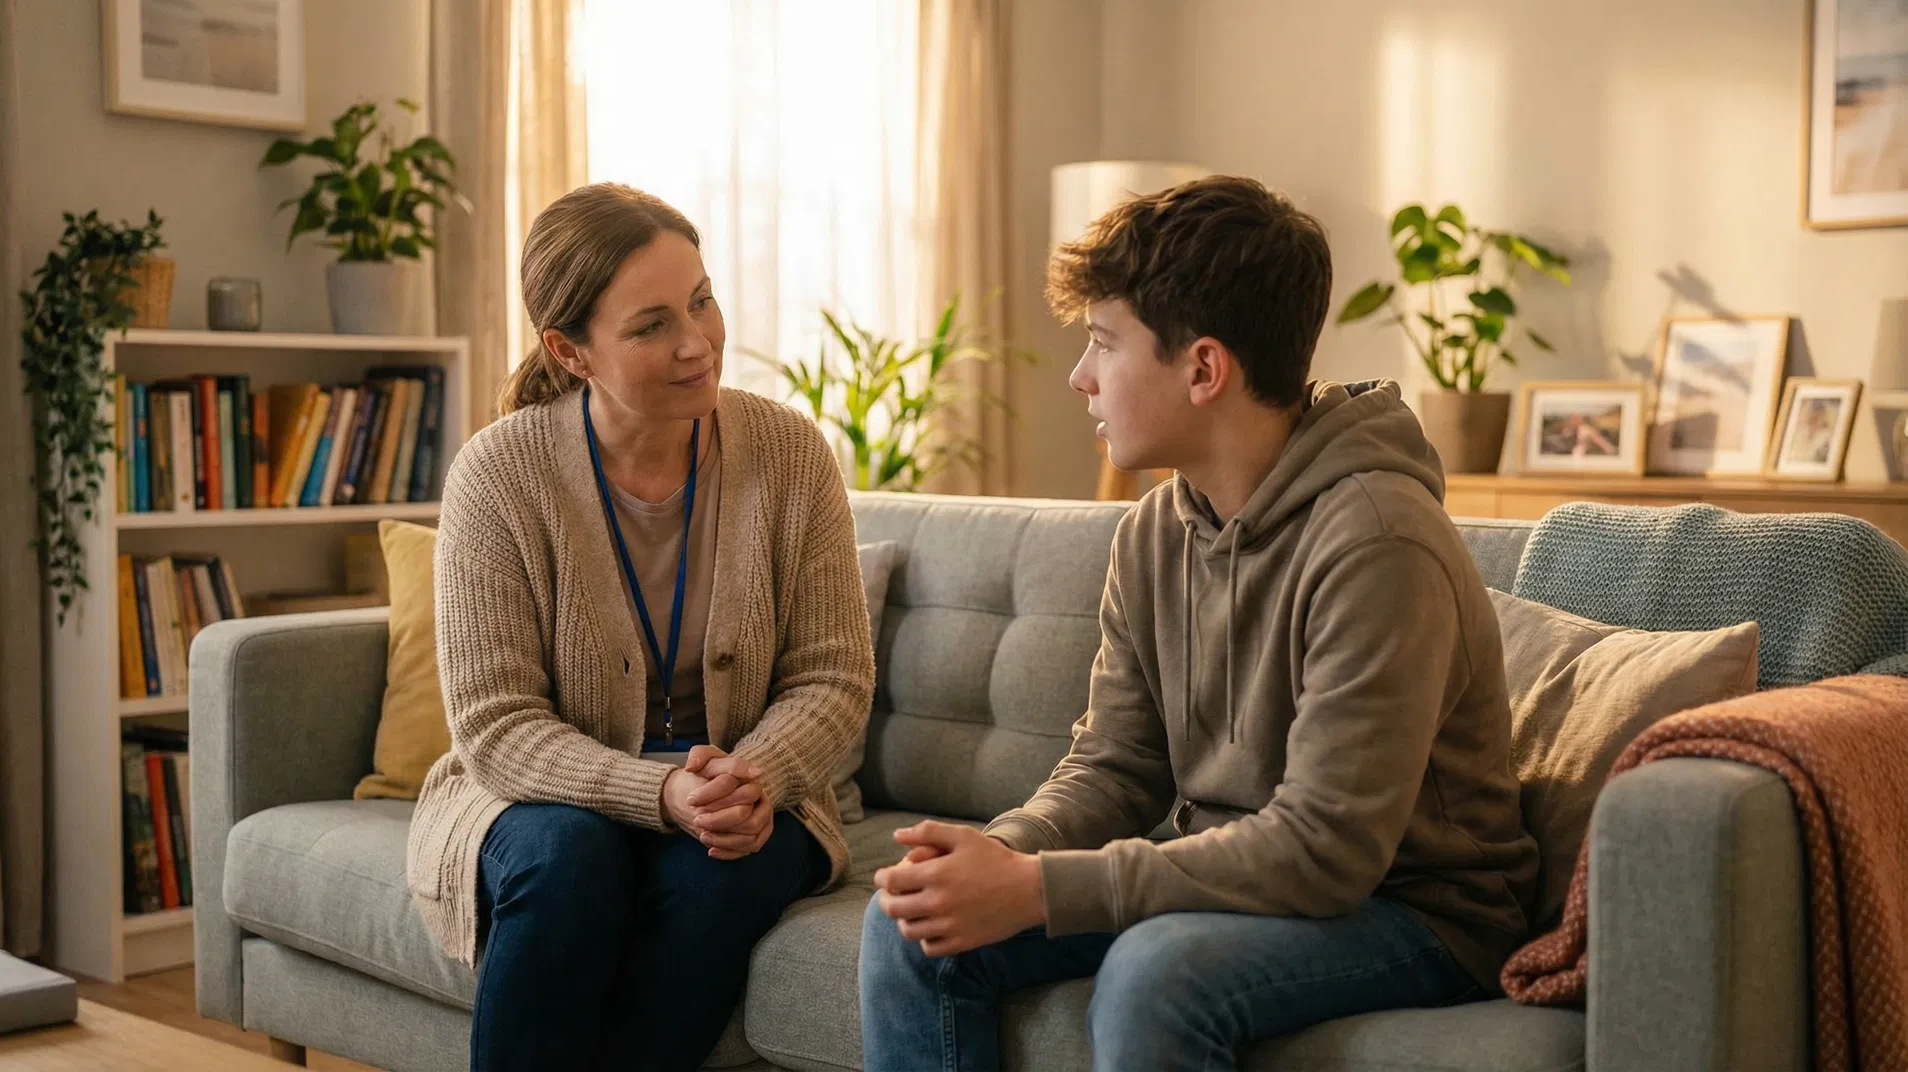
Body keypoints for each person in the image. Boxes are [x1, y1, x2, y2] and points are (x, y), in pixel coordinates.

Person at [857, 176, 1539, 1071]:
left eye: (1104, 343)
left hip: (1416, 910)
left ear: (1204, 369)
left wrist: (1038, 889)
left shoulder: (1379, 540)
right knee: (909, 924)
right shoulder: (1153, 532)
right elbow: (1116, 767)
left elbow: (1328, 850)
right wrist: (995, 856)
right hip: (1230, 875)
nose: (1081, 377)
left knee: (1158, 971)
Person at [406, 183, 875, 1071]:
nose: (697, 342)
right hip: (539, 795)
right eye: (651, 325)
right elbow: (495, 726)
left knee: (720, 872)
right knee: (569, 860)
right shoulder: (498, 475)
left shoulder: (787, 452)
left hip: (738, 790)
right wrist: (654, 794)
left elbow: (833, 675)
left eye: (701, 300)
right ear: (569, 351)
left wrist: (753, 777)